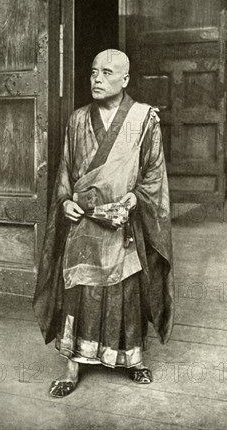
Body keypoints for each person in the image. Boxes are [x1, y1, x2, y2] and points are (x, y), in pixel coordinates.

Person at [33, 49, 174, 397]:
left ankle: (133, 358)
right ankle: (72, 365)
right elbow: (64, 169)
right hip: (83, 222)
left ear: (125, 80)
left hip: (123, 222)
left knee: (126, 289)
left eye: (107, 72)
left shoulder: (144, 120)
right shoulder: (78, 120)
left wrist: (134, 199)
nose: (97, 78)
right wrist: (65, 202)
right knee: (79, 291)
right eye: (94, 71)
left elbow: (154, 173)